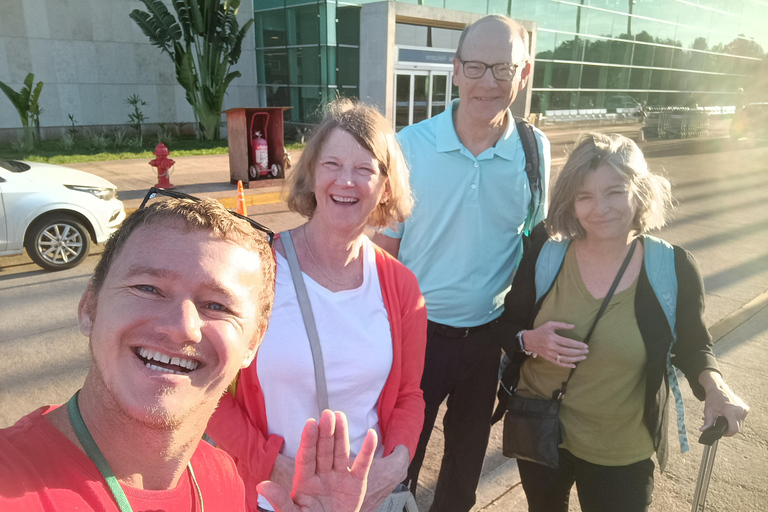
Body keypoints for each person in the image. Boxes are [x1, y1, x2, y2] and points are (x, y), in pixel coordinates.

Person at [0, 194, 376, 512]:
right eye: (148, 288)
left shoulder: (223, 477)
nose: (181, 326)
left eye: (217, 306)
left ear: (253, 343)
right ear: (89, 307)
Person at [497, 133, 749, 512]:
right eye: (585, 196)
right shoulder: (546, 253)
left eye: (614, 192)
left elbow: (693, 346)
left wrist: (716, 389)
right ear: (570, 202)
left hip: (620, 447)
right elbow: (506, 324)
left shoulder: (672, 267)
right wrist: (529, 340)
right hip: (540, 428)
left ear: (640, 192)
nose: (600, 209)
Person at [206, 99, 428, 512]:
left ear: (386, 186)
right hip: (271, 498)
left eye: (365, 169)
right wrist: (274, 468)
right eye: (333, 165)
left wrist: (395, 465)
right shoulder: (257, 269)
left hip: (364, 500)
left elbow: (408, 396)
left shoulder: (401, 287)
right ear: (310, 172)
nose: (347, 181)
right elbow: (209, 389)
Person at [372, 15, 550, 512]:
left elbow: (535, 247)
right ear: (454, 70)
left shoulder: (535, 151)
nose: (487, 82)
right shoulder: (409, 146)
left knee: (462, 480)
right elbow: (385, 252)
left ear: (524, 72)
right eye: (475, 66)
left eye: (502, 68)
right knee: (396, 472)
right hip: (416, 341)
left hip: (487, 344)